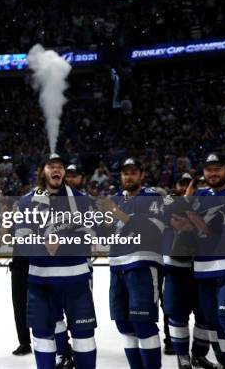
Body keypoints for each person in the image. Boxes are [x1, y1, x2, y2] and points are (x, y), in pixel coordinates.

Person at [18, 154, 97, 369]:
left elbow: (92, 235)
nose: (57, 170)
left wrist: (63, 241)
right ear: (42, 171)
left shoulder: (82, 200)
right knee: (42, 335)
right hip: (40, 282)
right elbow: (21, 242)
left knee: (84, 335)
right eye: (51, 166)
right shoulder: (26, 202)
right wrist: (44, 244)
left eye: (60, 166)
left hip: (76, 280)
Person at [96, 158, 165, 369]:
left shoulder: (152, 197)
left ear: (141, 175)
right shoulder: (116, 199)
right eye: (125, 173)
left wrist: (116, 213)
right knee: (124, 325)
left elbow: (151, 230)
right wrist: (106, 221)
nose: (129, 176)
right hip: (117, 267)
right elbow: (103, 238)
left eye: (133, 172)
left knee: (143, 324)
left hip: (143, 265)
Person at [162, 173, 222, 369]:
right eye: (183, 183)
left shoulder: (208, 204)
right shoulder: (169, 199)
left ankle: (199, 354)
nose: (188, 187)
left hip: (202, 270)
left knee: (204, 316)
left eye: (193, 184)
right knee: (176, 314)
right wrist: (188, 200)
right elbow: (170, 213)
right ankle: (183, 358)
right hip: (176, 269)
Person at [188, 153, 225, 368]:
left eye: (217, 168)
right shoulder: (199, 195)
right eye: (209, 169)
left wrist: (196, 221)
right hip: (204, 272)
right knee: (216, 323)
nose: (213, 173)